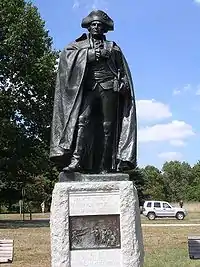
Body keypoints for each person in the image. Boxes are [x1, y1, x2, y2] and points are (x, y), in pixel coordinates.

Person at [50, 10, 137, 174]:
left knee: (108, 126)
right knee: (82, 121)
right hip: (88, 89)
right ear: (88, 28)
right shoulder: (77, 47)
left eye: (100, 25)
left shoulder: (114, 48)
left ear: (105, 29)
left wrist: (124, 84)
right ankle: (76, 161)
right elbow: (66, 61)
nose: (96, 27)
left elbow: (122, 71)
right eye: (93, 24)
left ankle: (106, 166)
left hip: (109, 88)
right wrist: (91, 54)